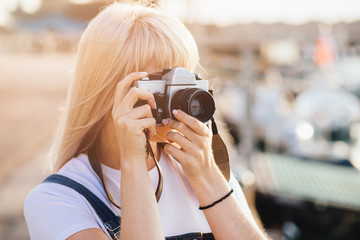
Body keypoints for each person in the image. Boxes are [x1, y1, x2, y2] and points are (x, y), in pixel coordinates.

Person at [24, 2, 268, 240]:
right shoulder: (56, 200)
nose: (176, 100)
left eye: (183, 81)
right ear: (104, 91)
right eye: (160, 86)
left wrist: (207, 177)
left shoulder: (206, 171)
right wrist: (134, 163)